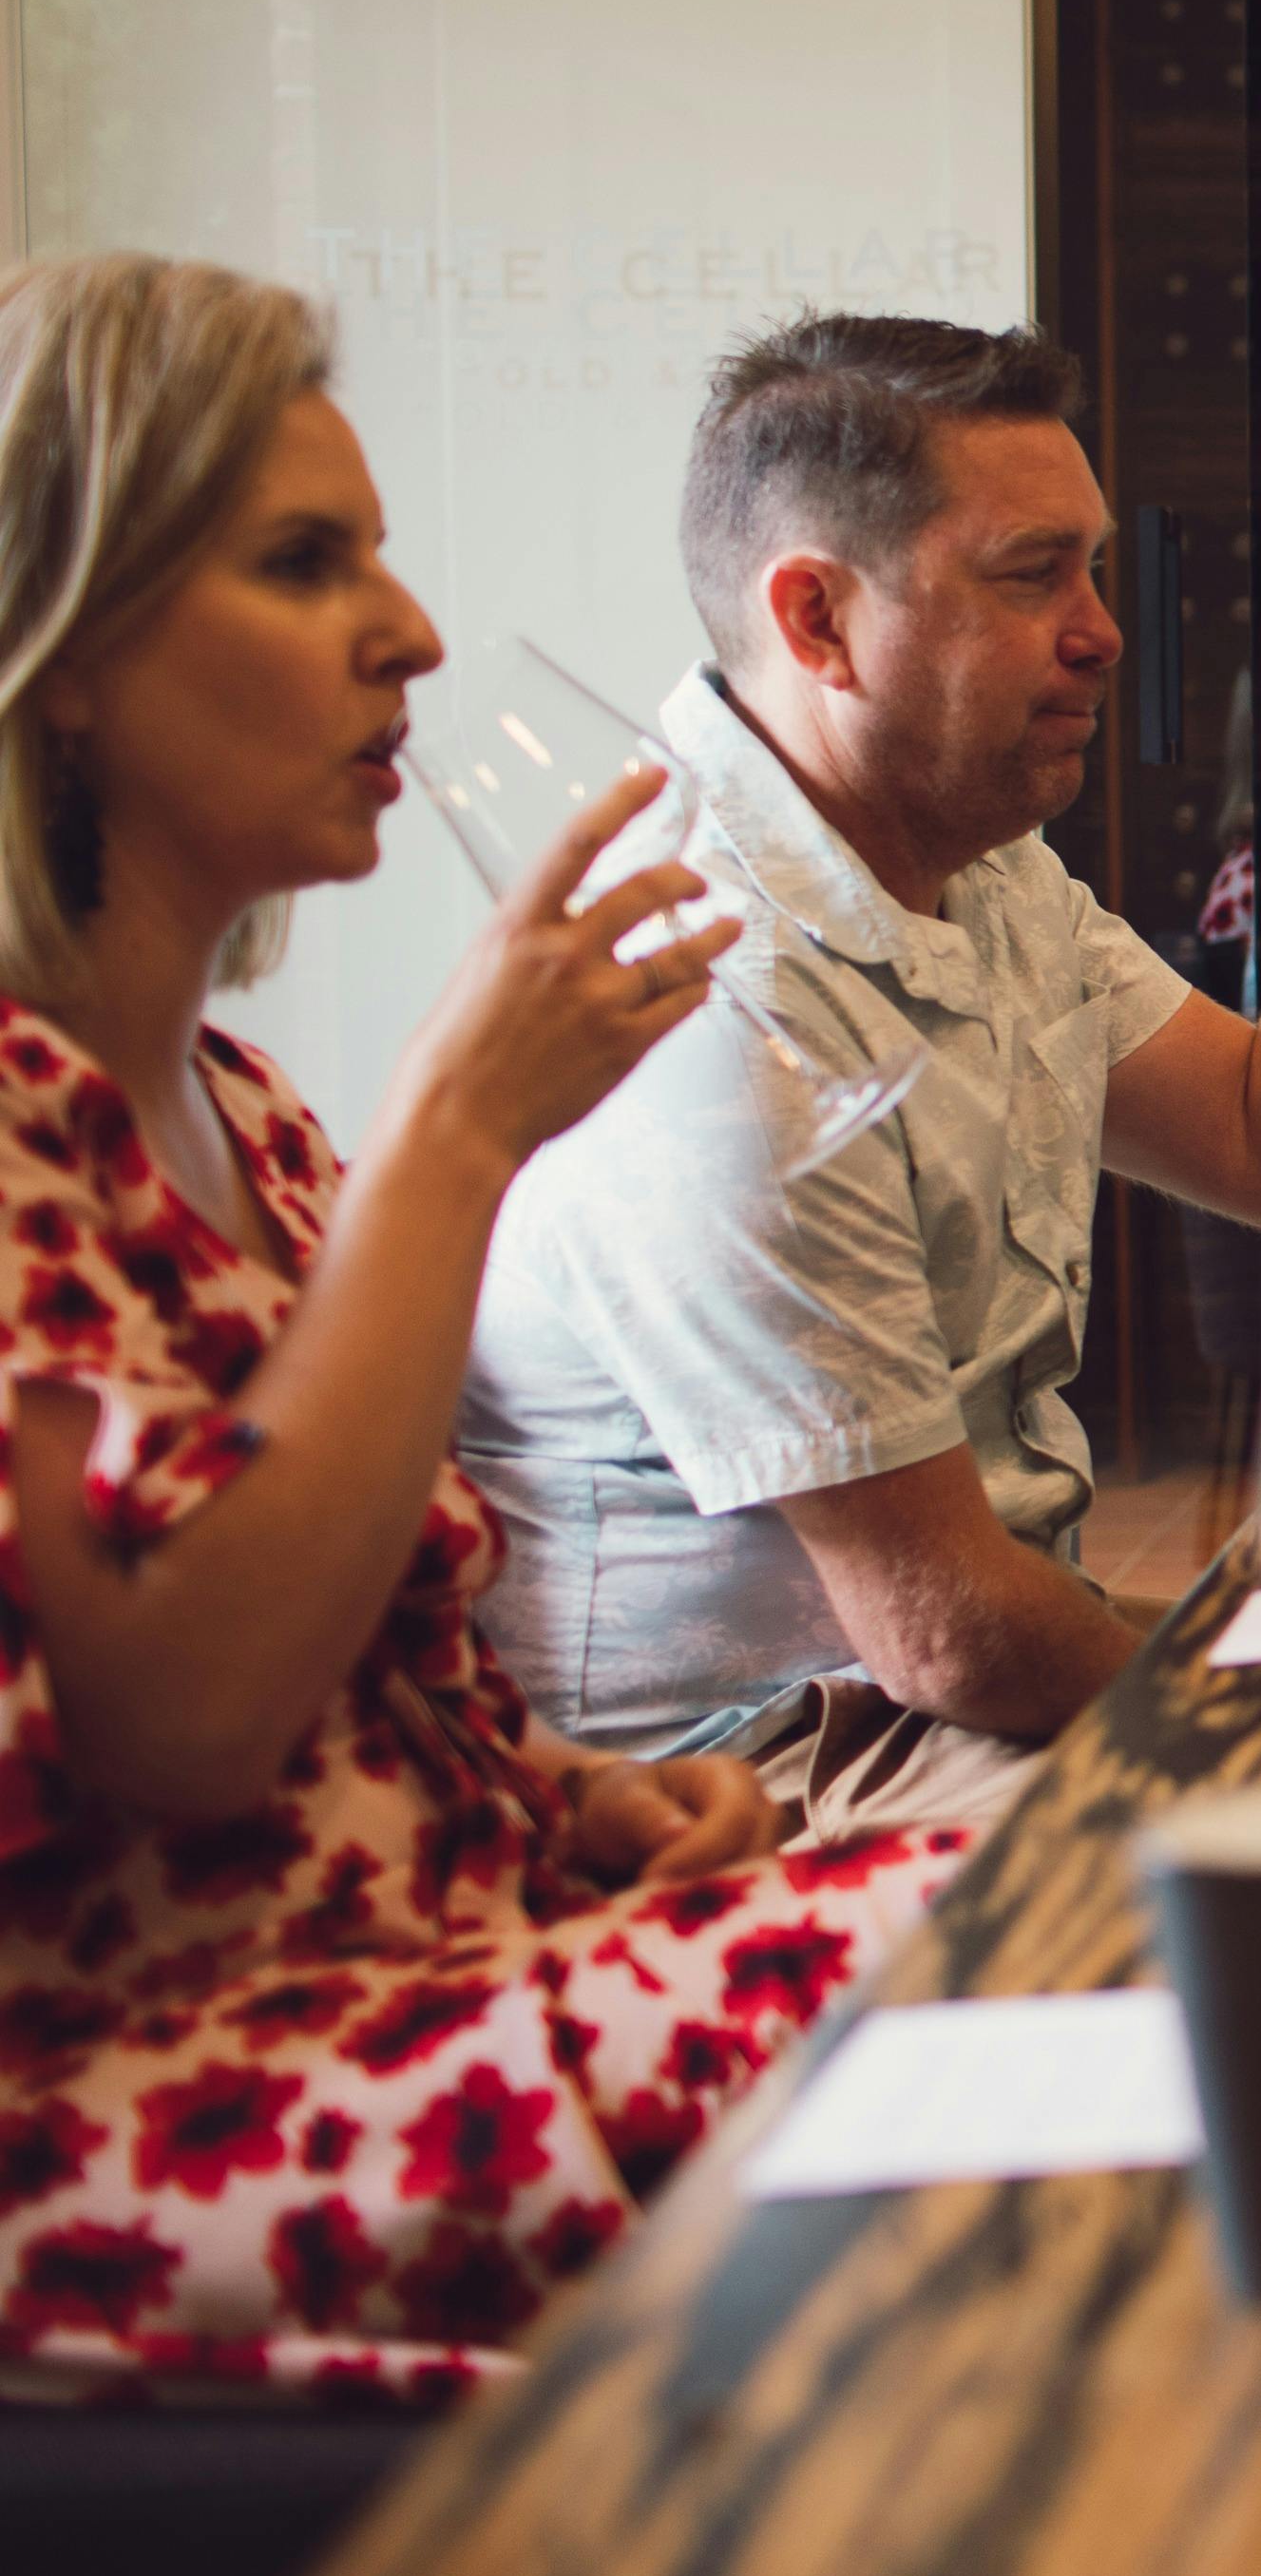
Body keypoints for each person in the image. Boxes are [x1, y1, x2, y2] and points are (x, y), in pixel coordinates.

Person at [0, 255, 965, 2406]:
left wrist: (567, 1794)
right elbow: (178, 1729)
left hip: (453, 1959)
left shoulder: (242, 1113)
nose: (410, 631)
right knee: (1069, 1975)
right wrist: (458, 1140)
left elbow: (352, 1671)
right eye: (299, 561)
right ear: (61, 644)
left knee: (1106, 1909)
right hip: (178, 2103)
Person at [461, 316, 1261, 1831]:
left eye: (1093, 567)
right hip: (763, 1772)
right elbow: (946, 1628)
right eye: (1030, 574)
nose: (1104, 628)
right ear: (817, 620)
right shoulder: (714, 999)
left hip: (958, 1678)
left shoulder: (970, 867)